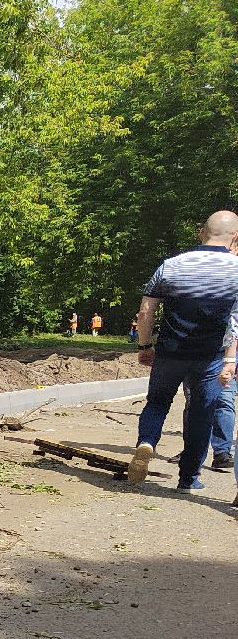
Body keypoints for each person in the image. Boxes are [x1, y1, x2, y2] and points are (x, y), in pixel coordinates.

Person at [127, 210, 238, 494]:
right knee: (202, 413)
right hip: (210, 357)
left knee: (157, 403)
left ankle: (146, 442)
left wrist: (144, 346)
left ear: (202, 233)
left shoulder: (171, 265)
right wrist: (230, 359)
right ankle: (188, 479)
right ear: (235, 236)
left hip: (170, 352)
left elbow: (146, 311)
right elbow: (235, 322)